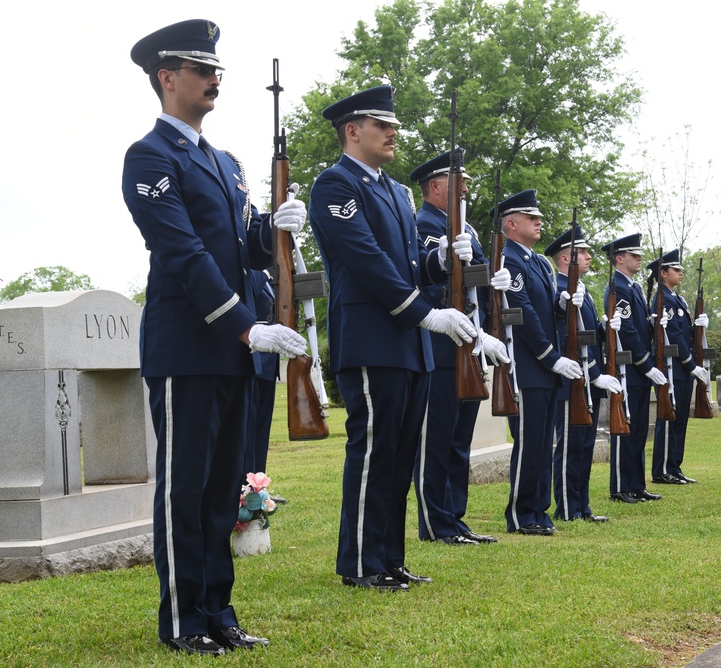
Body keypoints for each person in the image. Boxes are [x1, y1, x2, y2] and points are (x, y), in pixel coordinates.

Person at [123, 19, 308, 655]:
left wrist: (272, 230)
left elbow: (241, 247)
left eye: (216, 71)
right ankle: (182, 620)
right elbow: (184, 253)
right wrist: (244, 324)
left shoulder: (224, 163)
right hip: (188, 347)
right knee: (186, 488)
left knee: (225, 485)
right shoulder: (150, 156)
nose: (213, 79)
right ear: (167, 78)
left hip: (236, 348)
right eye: (201, 71)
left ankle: (218, 610)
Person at [308, 86, 478, 591]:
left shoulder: (396, 191)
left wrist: (441, 260)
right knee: (374, 451)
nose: (392, 133)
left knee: (401, 455)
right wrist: (425, 315)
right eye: (382, 125)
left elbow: (407, 264)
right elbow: (367, 263)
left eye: (394, 126)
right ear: (352, 130)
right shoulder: (335, 185)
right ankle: (361, 561)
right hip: (371, 337)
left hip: (408, 344)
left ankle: (389, 557)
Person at [409, 150, 510, 546]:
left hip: (469, 346)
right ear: (435, 188)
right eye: (458, 182)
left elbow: (477, 284)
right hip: (439, 347)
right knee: (437, 441)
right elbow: (427, 284)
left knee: (458, 443)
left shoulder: (463, 229)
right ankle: (436, 523)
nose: (466, 188)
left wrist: (493, 284)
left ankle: (455, 517)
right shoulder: (425, 228)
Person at [498, 190, 584, 535]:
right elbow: (522, 314)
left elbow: (546, 312)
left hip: (546, 368)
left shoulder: (538, 262)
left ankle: (538, 511)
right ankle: (520, 515)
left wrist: (564, 306)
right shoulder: (510, 259)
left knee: (543, 443)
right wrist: (552, 357)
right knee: (530, 442)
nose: (539, 223)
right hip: (528, 365)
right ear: (512, 223)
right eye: (532, 218)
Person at [547, 227, 621, 522]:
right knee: (570, 446)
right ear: (566, 258)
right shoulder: (560, 290)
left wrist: (604, 329)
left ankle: (583, 506)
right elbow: (566, 337)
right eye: (584, 252)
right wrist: (592, 375)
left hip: (588, 378)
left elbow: (587, 337)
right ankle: (567, 506)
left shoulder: (582, 291)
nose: (590, 256)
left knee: (585, 446)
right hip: (572, 379)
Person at [601, 233, 667, 503]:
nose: (640, 259)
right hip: (629, 367)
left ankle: (636, 484)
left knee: (639, 429)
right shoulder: (617, 287)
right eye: (634, 255)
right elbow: (626, 332)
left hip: (639, 370)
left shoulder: (634, 287)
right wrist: (647, 364)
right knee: (625, 427)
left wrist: (653, 324)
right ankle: (620, 486)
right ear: (620, 258)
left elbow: (638, 327)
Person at [648, 249, 709, 485]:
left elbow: (686, 333)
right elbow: (673, 334)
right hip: (672, 366)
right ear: (664, 274)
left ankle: (675, 466)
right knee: (669, 416)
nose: (681, 273)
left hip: (682, 368)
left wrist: (699, 326)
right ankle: (662, 470)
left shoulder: (678, 299)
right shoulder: (663, 298)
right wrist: (691, 364)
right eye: (676, 270)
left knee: (680, 418)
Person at [244, 270, 279, 474]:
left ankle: (258, 486)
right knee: (248, 433)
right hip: (252, 361)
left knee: (261, 432)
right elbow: (248, 289)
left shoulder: (270, 283)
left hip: (269, 364)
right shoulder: (254, 274)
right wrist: (265, 270)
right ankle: (245, 489)